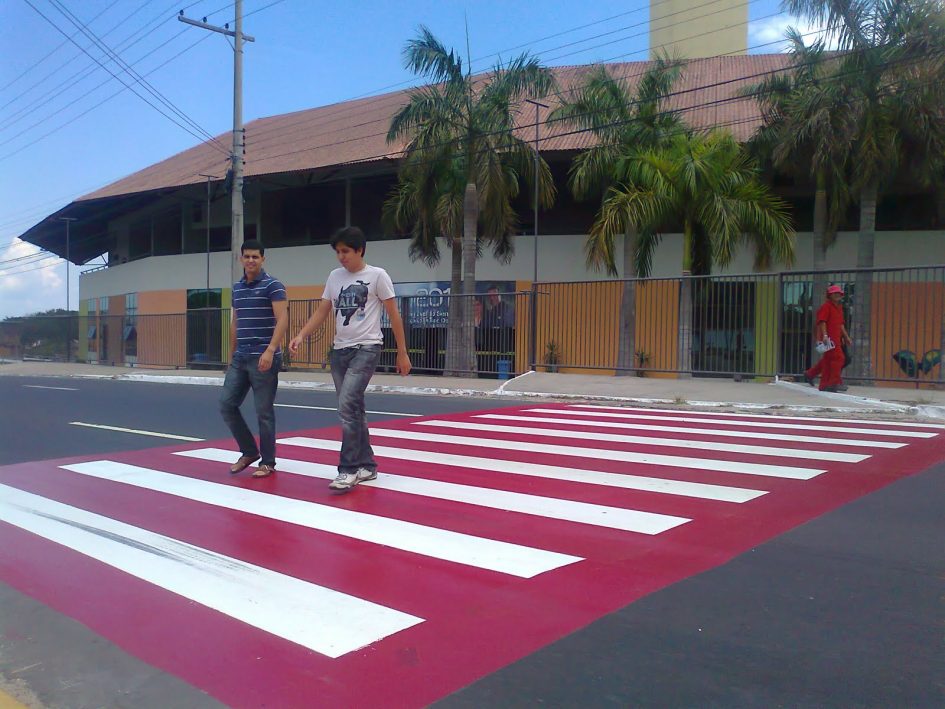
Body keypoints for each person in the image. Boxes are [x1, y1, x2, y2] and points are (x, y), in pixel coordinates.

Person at [289, 226, 411, 492]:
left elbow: (394, 314)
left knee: (346, 407)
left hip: (366, 348)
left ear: (360, 250)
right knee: (355, 409)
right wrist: (301, 335)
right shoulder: (335, 277)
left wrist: (402, 352)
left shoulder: (378, 276)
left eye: (346, 251)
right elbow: (323, 310)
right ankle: (367, 465)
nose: (341, 257)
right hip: (340, 350)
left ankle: (348, 469)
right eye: (338, 252)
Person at [220, 239, 288, 478]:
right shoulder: (237, 289)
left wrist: (271, 350)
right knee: (227, 405)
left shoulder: (273, 285)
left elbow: (282, 319)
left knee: (264, 411)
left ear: (262, 259)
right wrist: (231, 355)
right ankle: (249, 451)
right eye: (246, 256)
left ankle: (268, 462)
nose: (250, 260)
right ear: (241, 259)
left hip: (263, 357)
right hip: (241, 357)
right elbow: (235, 321)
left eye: (255, 257)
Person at [804, 284, 851, 392]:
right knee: (839, 358)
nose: (837, 295)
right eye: (835, 293)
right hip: (829, 339)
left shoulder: (838, 308)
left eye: (839, 293)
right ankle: (833, 383)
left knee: (828, 360)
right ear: (830, 295)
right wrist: (824, 336)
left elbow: (841, 324)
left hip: (836, 339)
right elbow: (822, 322)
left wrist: (846, 337)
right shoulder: (826, 306)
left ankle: (819, 380)